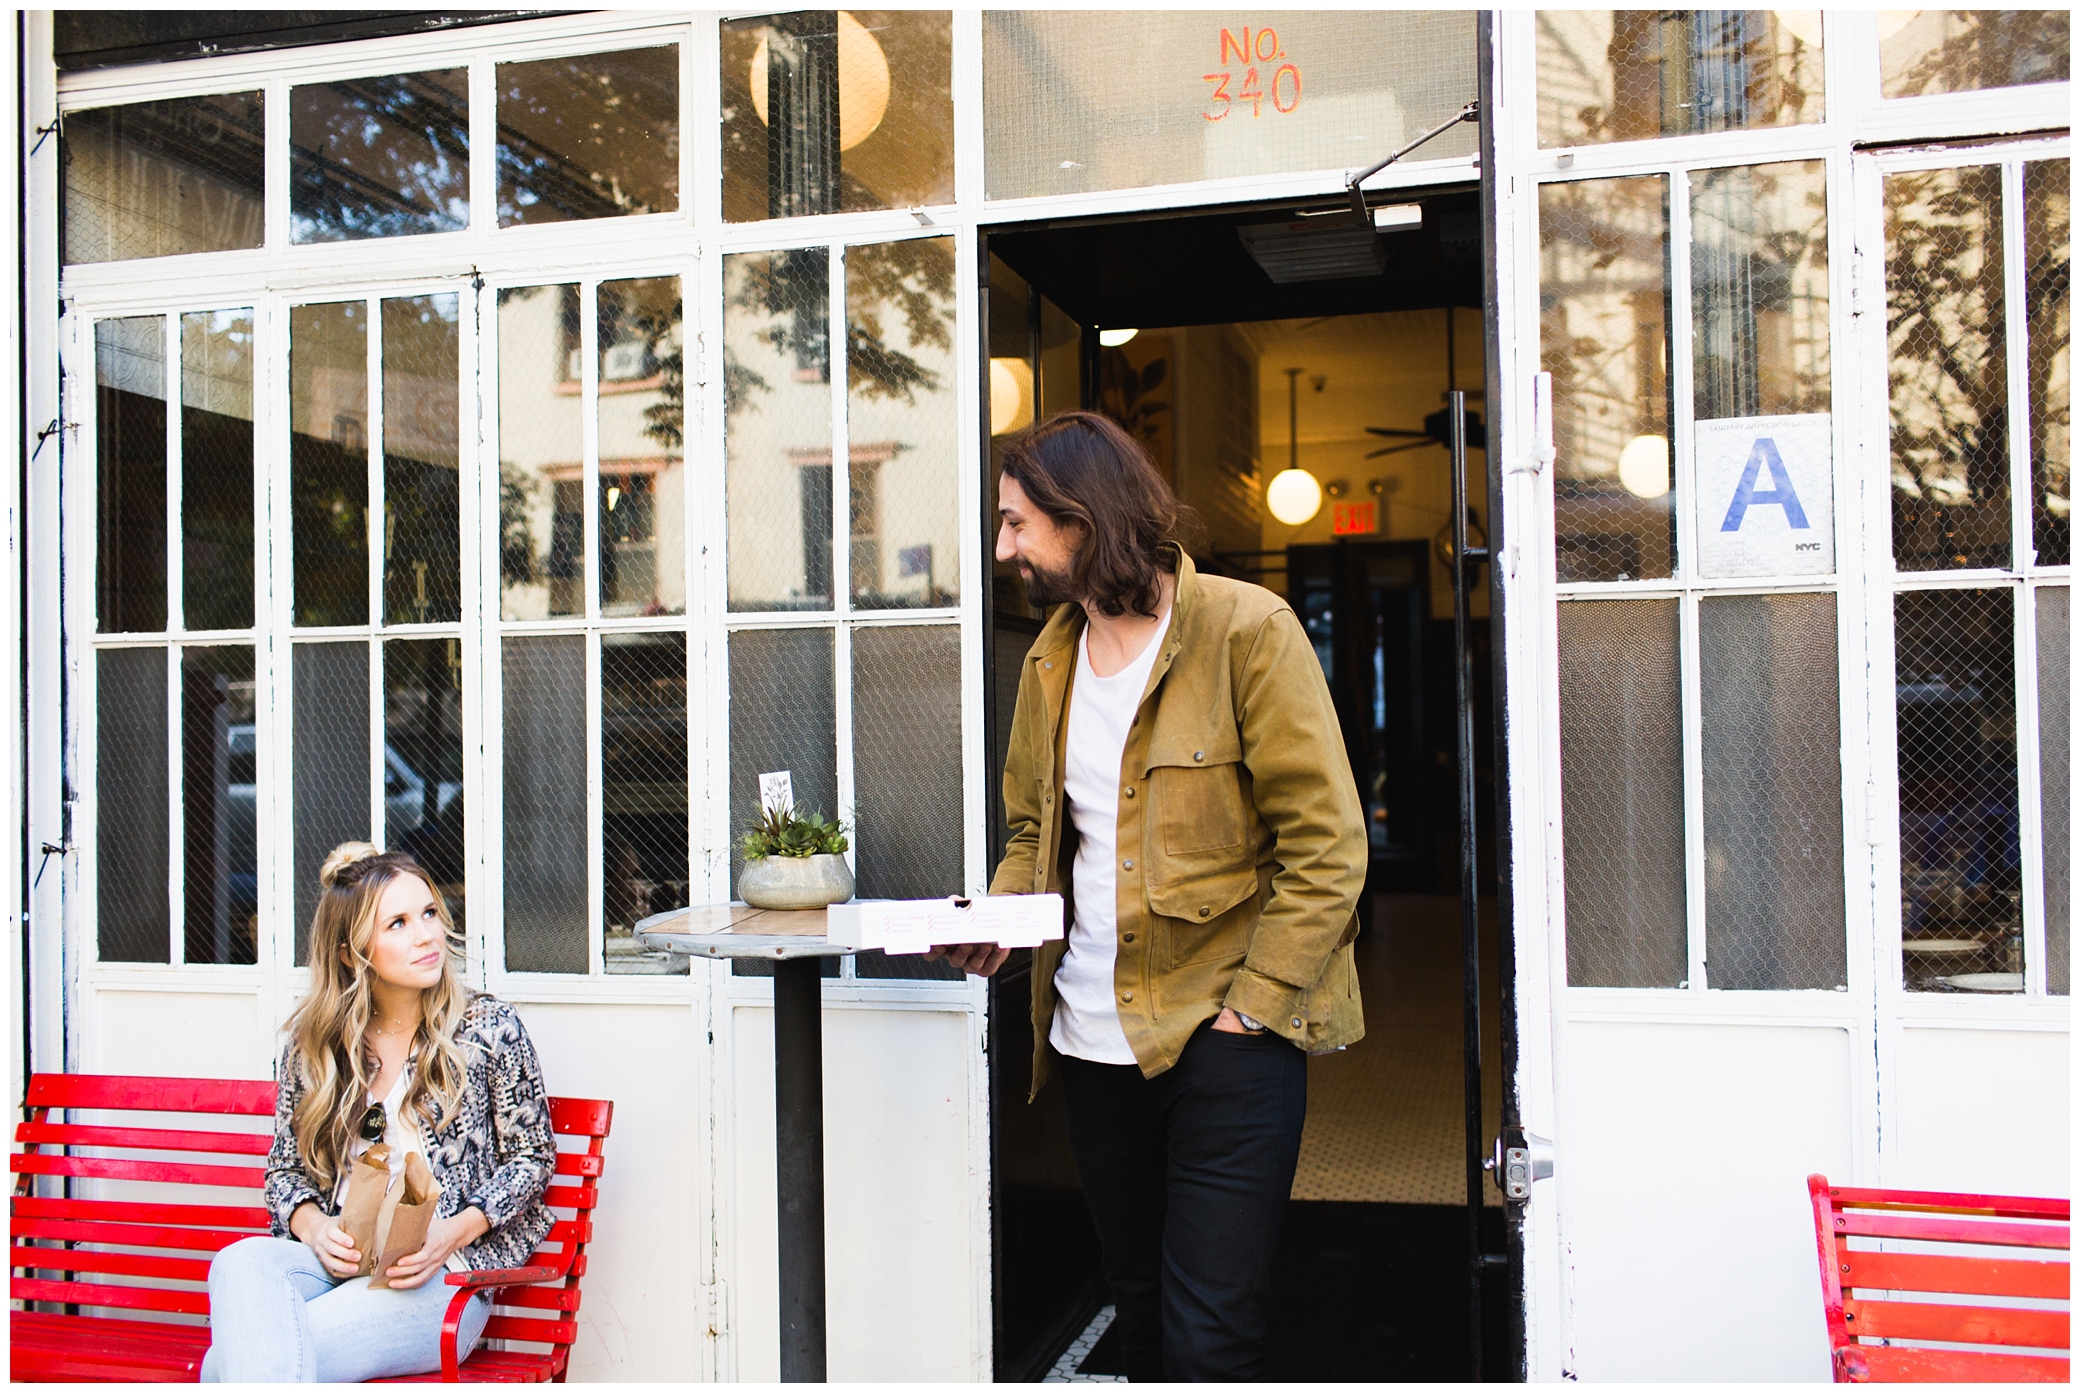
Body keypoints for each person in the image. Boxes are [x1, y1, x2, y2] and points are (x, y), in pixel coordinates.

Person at [934, 411, 1367, 1381]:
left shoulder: (1246, 633)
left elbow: (1328, 845)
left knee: (1209, 1331)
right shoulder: (1050, 658)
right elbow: (1032, 833)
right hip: (1090, 1046)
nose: (1004, 549)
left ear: (1081, 521)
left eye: (1016, 524)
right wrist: (1002, 921)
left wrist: (1250, 1010)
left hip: (1225, 1043)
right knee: (1136, 1308)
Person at [202, 843, 558, 1382]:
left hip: (440, 1278)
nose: (427, 935)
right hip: (337, 1264)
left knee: (234, 1366)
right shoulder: (315, 1047)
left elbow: (532, 1159)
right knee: (240, 1264)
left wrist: (450, 1234)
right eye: (398, 923)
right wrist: (316, 1228)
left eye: (430, 914)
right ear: (350, 952)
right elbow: (284, 1173)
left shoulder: (488, 1029)